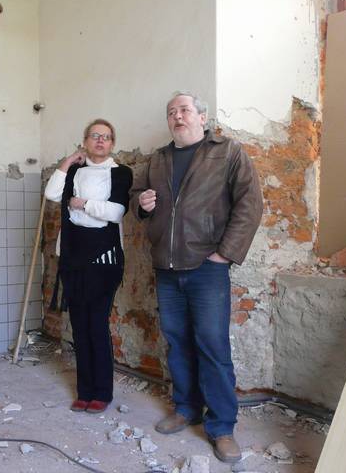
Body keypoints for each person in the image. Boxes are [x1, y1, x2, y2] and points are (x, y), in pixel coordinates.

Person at [130, 92, 263, 463]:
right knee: (177, 342)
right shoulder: (158, 159)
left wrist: (225, 254)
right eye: (171, 112)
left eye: (185, 110)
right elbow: (137, 195)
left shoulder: (227, 152)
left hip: (207, 267)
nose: (177, 116)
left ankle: (221, 427)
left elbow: (250, 204)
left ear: (202, 117)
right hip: (166, 267)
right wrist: (141, 204)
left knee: (213, 347)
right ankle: (186, 408)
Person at [45, 119, 133, 414]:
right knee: (79, 326)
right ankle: (84, 391)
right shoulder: (74, 171)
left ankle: (102, 392)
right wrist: (68, 161)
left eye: (106, 137)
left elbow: (115, 212)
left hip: (104, 259)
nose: (100, 140)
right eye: (94, 136)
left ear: (112, 144)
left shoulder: (120, 173)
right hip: (72, 258)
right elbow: (52, 194)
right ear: (85, 141)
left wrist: (82, 204)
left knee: (96, 324)